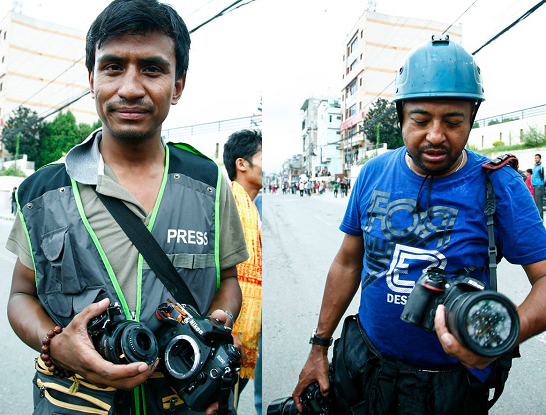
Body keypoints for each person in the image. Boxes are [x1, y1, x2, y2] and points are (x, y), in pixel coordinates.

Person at [6, 1, 249, 414]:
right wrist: (56, 343)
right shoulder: (42, 192)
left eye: (152, 69)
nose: (131, 87)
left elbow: (228, 280)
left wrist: (219, 322)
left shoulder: (208, 183)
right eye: (113, 67)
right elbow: (20, 296)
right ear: (92, 78)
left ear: (178, 84)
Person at [293, 34, 546, 415]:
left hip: (450, 389)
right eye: (421, 119)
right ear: (400, 118)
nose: (435, 135)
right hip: (367, 369)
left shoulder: (502, 184)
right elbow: (347, 262)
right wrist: (318, 347)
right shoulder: (372, 174)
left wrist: (498, 339)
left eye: (453, 121)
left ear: (472, 119)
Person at [223, 130, 263, 400]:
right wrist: (223, 331)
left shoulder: (253, 206)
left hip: (251, 333)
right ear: (242, 164)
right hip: (228, 336)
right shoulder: (227, 204)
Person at [531, 154, 544, 219]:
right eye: (535, 158)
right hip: (535, 186)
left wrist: (543, 185)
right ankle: (538, 217)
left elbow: (544, 176)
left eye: (537, 158)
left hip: (539, 185)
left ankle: (541, 218)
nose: (536, 159)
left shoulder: (541, 166)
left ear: (540, 159)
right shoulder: (534, 166)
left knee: (539, 203)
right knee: (536, 203)